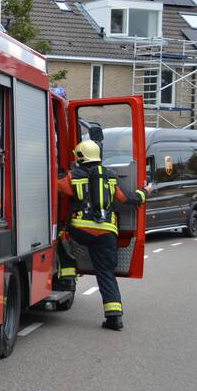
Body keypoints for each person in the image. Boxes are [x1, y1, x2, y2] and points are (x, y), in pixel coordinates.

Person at [56, 139, 151, 331]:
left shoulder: (73, 176)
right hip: (107, 233)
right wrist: (144, 192)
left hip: (81, 230)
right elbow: (126, 199)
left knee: (61, 238)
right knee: (106, 274)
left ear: (80, 157)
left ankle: (67, 279)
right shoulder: (110, 176)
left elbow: (55, 187)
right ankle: (114, 318)